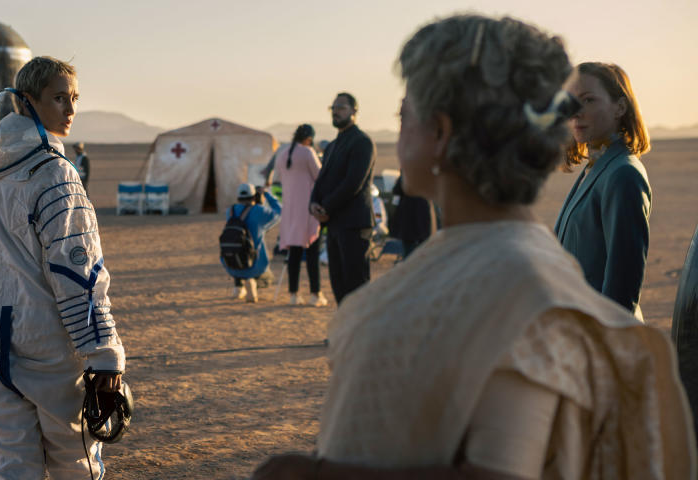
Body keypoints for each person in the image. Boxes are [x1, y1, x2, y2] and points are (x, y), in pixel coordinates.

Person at [253, 14, 694, 480]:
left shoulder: (509, 299)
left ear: (440, 134)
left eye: (406, 114)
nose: (399, 131)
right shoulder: (527, 274)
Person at [0, 56, 126, 479]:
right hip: (46, 340)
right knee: (74, 459)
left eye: (73, 98)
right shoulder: (55, 175)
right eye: (58, 98)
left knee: (12, 458)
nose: (70, 110)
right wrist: (104, 355)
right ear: (28, 101)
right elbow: (78, 275)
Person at [554, 62, 651, 319]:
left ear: (620, 107)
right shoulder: (595, 169)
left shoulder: (623, 174)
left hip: (603, 339)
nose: (575, 112)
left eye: (588, 100)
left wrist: (606, 346)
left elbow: (623, 284)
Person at [309, 92, 375, 304]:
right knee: (338, 284)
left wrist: (326, 207)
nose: (336, 112)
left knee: (356, 284)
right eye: (333, 108)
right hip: (335, 224)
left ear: (354, 112)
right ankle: (344, 335)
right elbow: (321, 181)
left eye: (341, 108)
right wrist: (313, 204)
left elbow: (353, 183)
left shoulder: (362, 142)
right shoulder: (332, 146)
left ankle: (361, 336)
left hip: (355, 224)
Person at [272, 124, 326, 307]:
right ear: (309, 138)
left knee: (294, 254)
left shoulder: (282, 153)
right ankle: (315, 294)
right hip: (308, 210)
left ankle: (293, 294)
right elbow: (321, 177)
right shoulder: (308, 152)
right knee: (312, 252)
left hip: (290, 210)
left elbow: (278, 178)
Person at [222, 183, 281, 302]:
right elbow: (279, 212)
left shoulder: (230, 211)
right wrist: (266, 195)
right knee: (268, 278)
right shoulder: (259, 211)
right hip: (256, 266)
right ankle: (252, 282)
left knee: (238, 248)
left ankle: (238, 287)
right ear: (254, 196)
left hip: (230, 265)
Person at [387, 176, 437, 258]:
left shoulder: (408, 170)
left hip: (409, 216)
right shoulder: (429, 169)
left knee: (409, 250)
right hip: (424, 213)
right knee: (424, 248)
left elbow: (397, 190)